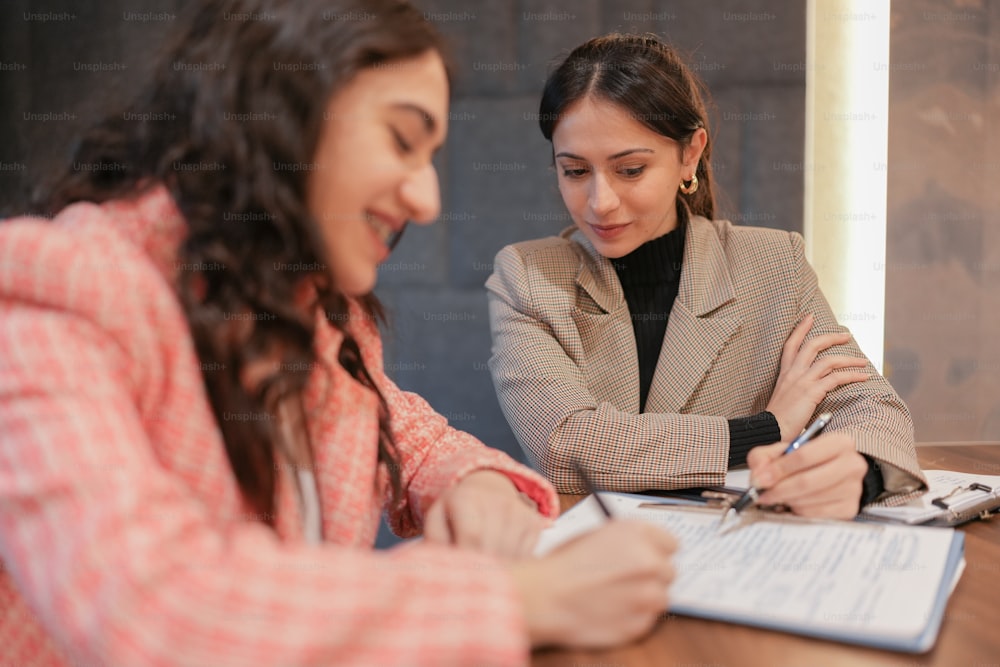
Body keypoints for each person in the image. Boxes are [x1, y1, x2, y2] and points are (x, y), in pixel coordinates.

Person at [0, 5, 678, 665]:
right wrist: (516, 597)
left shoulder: (312, 307)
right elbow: (154, 605)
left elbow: (405, 431)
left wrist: (473, 480)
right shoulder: (56, 293)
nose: (427, 199)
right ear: (286, 113)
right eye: (401, 140)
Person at [487, 33, 926, 519]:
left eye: (630, 170)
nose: (600, 202)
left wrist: (863, 475)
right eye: (574, 171)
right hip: (597, 563)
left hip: (748, 556)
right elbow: (568, 448)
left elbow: (873, 409)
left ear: (690, 154)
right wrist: (769, 427)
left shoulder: (774, 264)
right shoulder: (526, 276)